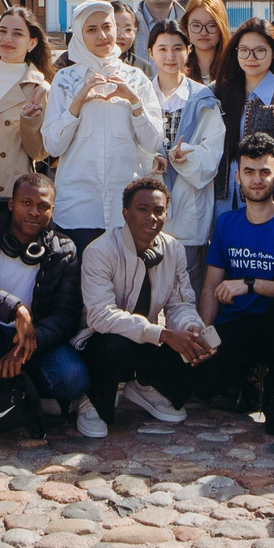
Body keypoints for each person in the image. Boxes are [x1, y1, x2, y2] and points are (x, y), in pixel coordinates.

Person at [0, 173, 88, 435]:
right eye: (26, 203)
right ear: (11, 204)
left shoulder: (64, 249)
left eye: (43, 206)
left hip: (30, 341)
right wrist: (15, 308)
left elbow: (66, 314)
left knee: (74, 378)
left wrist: (26, 346)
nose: (34, 212)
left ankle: (13, 389)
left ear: (52, 210)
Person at [75, 177, 218, 435]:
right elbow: (100, 316)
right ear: (125, 214)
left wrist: (193, 330)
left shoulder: (173, 248)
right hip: (100, 341)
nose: (152, 217)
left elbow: (180, 304)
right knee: (114, 345)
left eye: (159, 210)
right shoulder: (100, 251)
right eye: (143, 209)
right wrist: (163, 334)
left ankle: (145, 386)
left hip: (149, 338)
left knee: (208, 348)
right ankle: (94, 400)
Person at [202, 133, 274, 434]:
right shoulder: (227, 222)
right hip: (238, 324)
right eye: (249, 172)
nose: (256, 179)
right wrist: (204, 335)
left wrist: (251, 283)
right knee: (203, 386)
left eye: (264, 172)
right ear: (237, 175)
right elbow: (210, 286)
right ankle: (246, 377)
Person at [42, 0, 164, 244]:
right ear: (79, 35)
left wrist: (134, 101)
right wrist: (77, 102)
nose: (102, 35)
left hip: (125, 209)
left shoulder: (135, 78)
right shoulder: (65, 80)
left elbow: (153, 142)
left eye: (107, 27)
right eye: (91, 29)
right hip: (79, 210)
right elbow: (52, 146)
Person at [146, 22, 225, 274]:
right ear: (150, 52)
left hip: (188, 208)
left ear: (188, 50)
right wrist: (149, 158)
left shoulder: (203, 98)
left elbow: (213, 152)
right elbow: (125, 145)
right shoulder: (139, 95)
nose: (170, 56)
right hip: (146, 207)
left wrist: (185, 157)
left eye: (177, 48)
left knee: (186, 292)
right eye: (162, 49)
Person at [212, 18, 274, 208]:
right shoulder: (219, 91)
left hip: (270, 198)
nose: (251, 58)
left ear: (273, 54)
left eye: (260, 51)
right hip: (226, 196)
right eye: (244, 51)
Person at [0, 6, 52, 209]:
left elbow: (40, 153)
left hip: (9, 195)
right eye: (2, 31)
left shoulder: (39, 88)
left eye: (17, 34)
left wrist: (30, 121)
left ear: (32, 43)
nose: (7, 39)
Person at [181, 0, 232, 85]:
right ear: (186, 26)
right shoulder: (178, 66)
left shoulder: (234, 66)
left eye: (211, 25)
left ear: (221, 27)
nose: (203, 32)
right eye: (196, 25)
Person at [109, 0, 150, 72]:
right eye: (115, 29)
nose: (121, 36)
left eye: (128, 30)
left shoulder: (144, 68)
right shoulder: (90, 65)